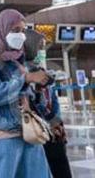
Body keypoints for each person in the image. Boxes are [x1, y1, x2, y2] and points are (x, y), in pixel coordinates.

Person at [0, 9, 51, 178]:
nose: (20, 35)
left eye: (22, 31)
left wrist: (38, 87)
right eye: (15, 31)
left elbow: (26, 94)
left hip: (27, 132)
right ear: (2, 31)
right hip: (2, 135)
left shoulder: (18, 60)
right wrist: (26, 79)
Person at [24, 29, 72, 178]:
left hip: (51, 128)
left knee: (60, 165)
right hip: (37, 129)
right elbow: (33, 102)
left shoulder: (41, 70)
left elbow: (53, 100)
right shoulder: (23, 72)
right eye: (39, 47)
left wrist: (57, 122)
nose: (41, 51)